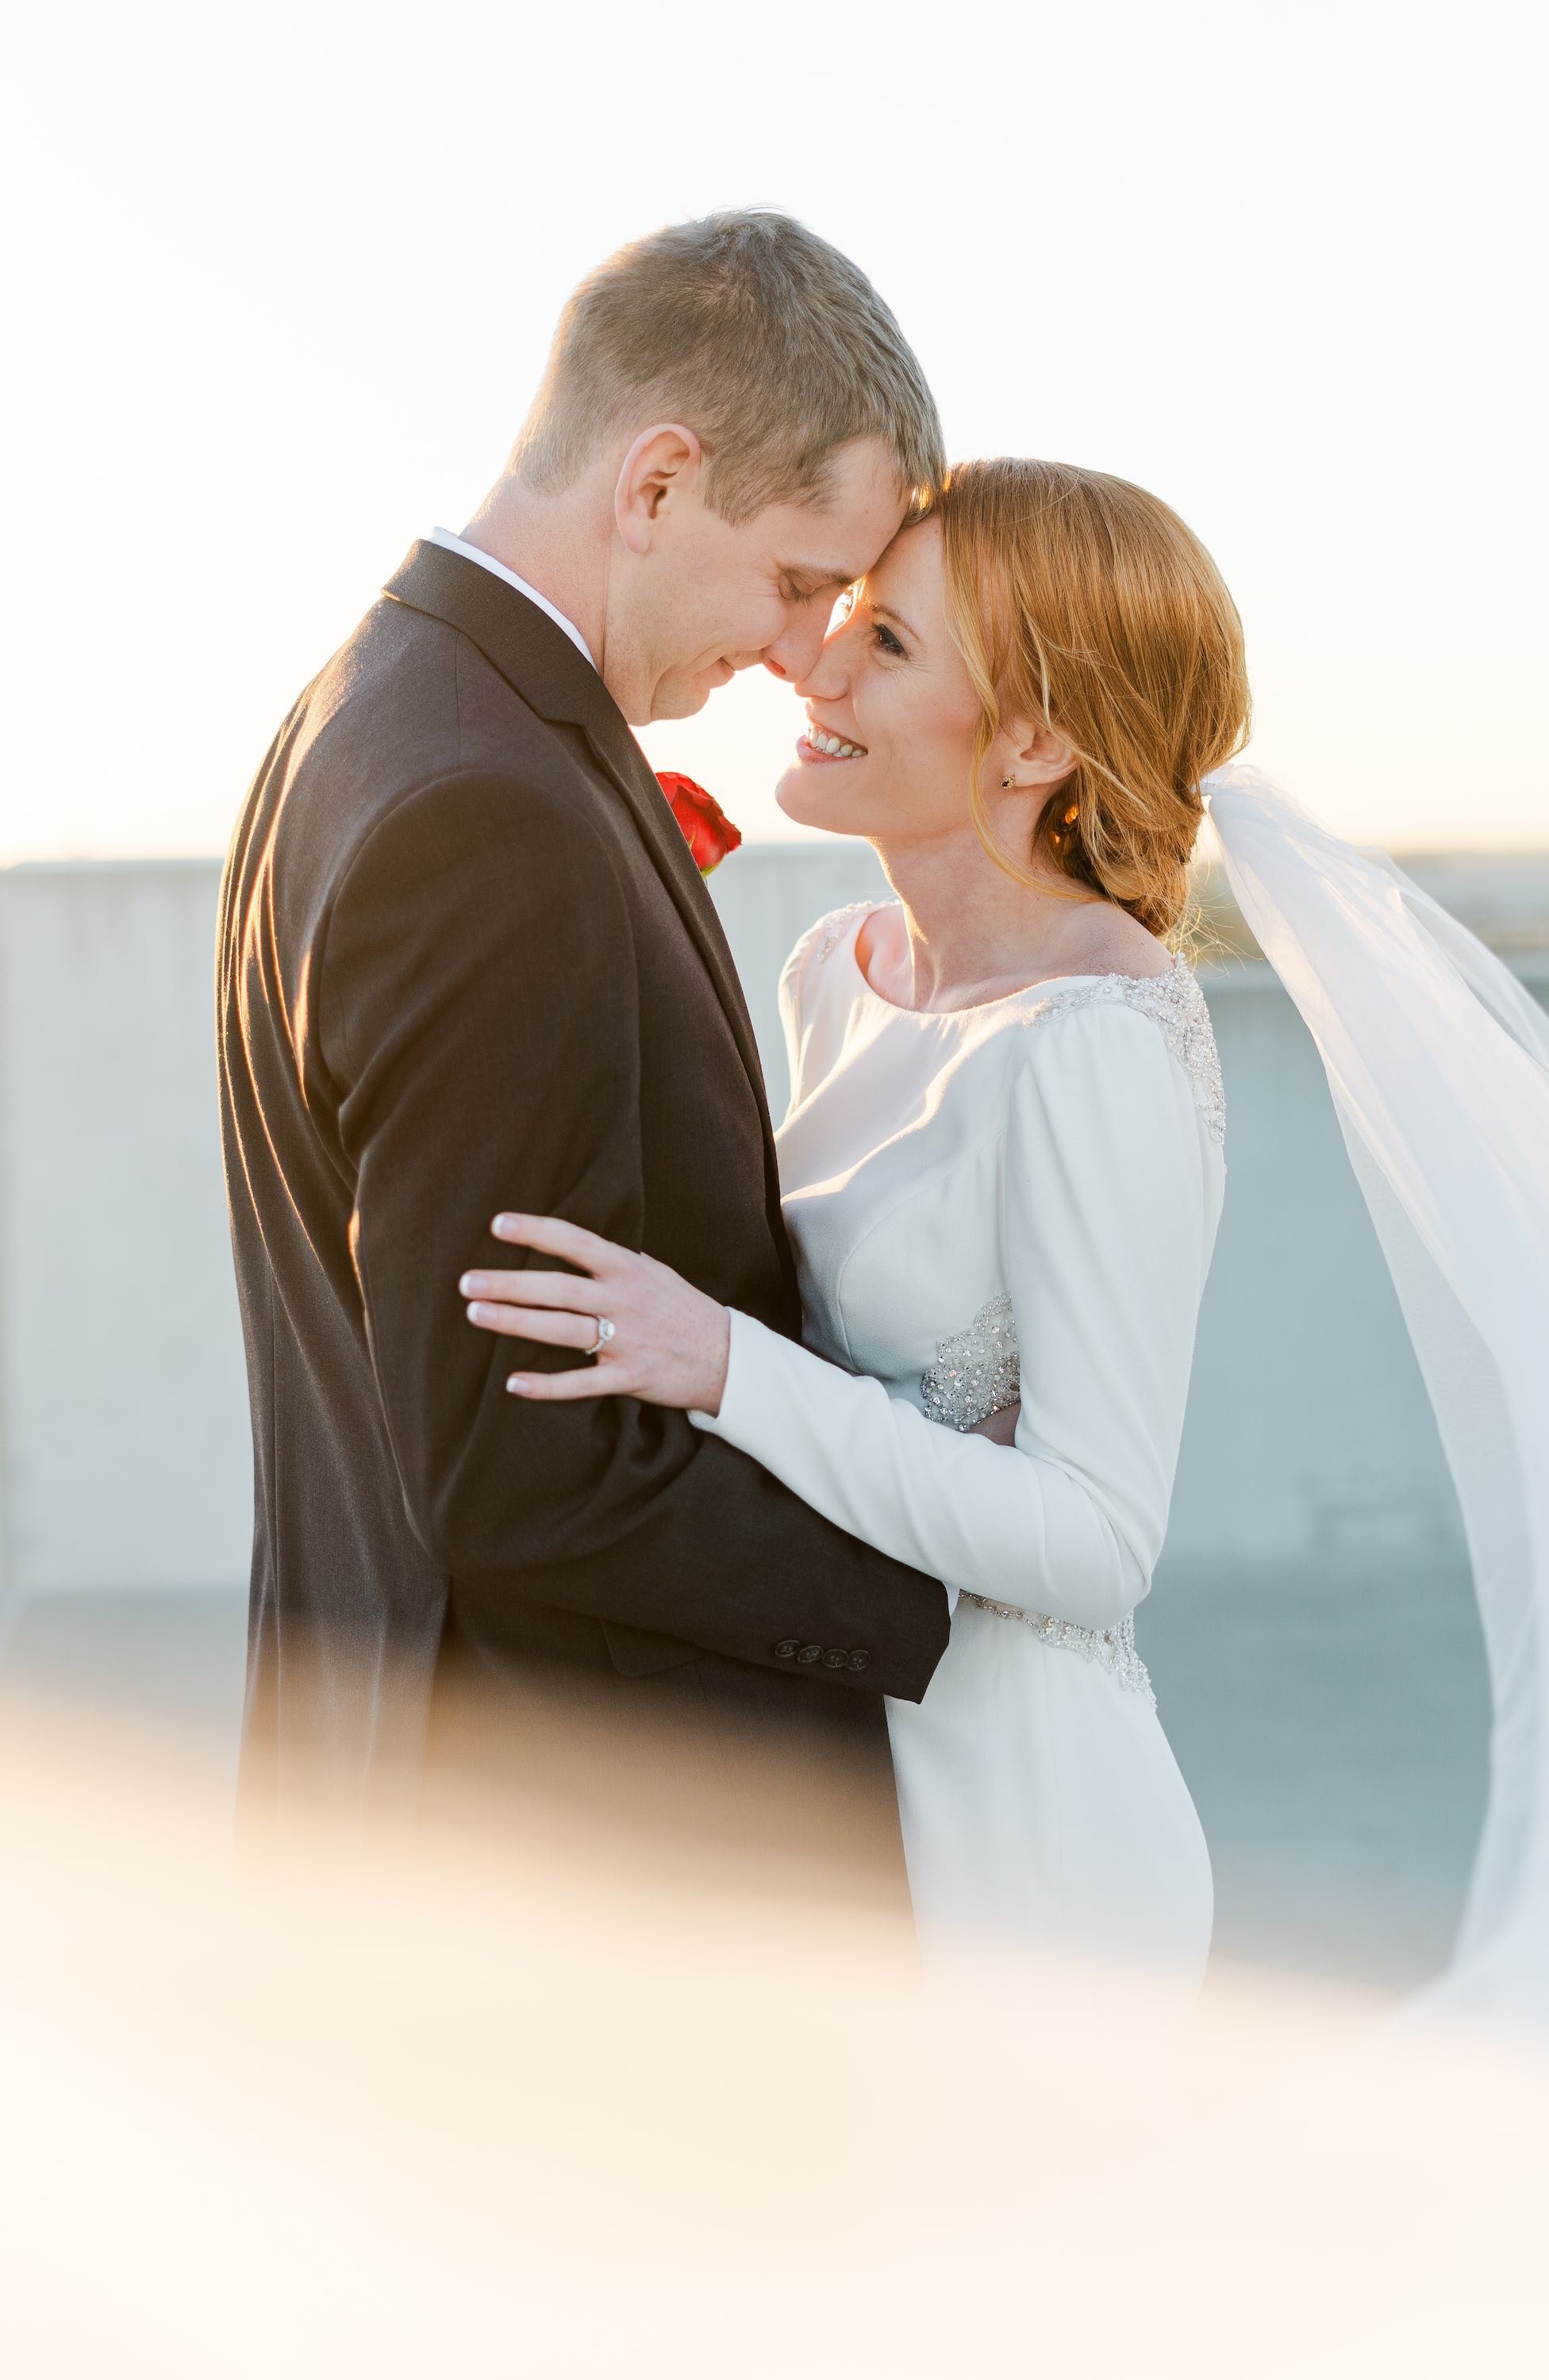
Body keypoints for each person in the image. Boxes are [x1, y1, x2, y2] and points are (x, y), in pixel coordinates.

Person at [217, 210, 955, 1894]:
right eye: (791, 580)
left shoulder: (366, 708)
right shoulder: (491, 813)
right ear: (654, 481)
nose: (796, 653)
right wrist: (953, 1587)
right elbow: (522, 1471)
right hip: (588, 1871)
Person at [461, 459, 1245, 1981]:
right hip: (815, 1778)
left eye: (886, 643)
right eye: (846, 617)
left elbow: (1096, 1540)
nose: (811, 660)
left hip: (1021, 1840)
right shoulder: (837, 968)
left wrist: (730, 1367)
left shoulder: (1098, 1041)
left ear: (1038, 738)